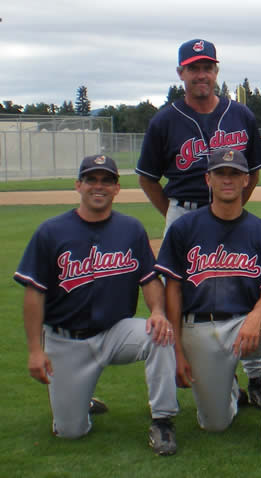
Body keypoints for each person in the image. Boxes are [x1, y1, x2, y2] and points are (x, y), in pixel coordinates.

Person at [136, 38, 261, 408]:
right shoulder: (165, 120)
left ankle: (256, 376)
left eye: (207, 67)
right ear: (181, 73)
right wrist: (173, 214)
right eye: (193, 68)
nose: (201, 74)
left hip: (231, 211)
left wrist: (237, 205)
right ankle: (193, 366)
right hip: (185, 209)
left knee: (244, 286)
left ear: (216, 71)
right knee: (180, 292)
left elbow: (254, 170)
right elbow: (147, 177)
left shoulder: (241, 114)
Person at [15, 155, 178, 456]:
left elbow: (149, 279)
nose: (98, 186)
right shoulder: (51, 232)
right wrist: (36, 350)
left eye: (107, 180)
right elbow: (34, 294)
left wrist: (157, 312)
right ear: (79, 185)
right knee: (70, 433)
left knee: (161, 334)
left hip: (116, 331)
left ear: (117, 189)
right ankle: (80, 398)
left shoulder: (130, 229)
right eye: (91, 179)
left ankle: (163, 420)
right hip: (66, 340)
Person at [155, 148, 261, 461]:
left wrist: (255, 317)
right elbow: (173, 292)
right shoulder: (183, 229)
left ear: (247, 179)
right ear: (208, 178)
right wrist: (178, 350)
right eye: (221, 173)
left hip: (246, 324)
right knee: (215, 425)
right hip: (198, 326)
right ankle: (230, 390)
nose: (228, 179)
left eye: (235, 173)